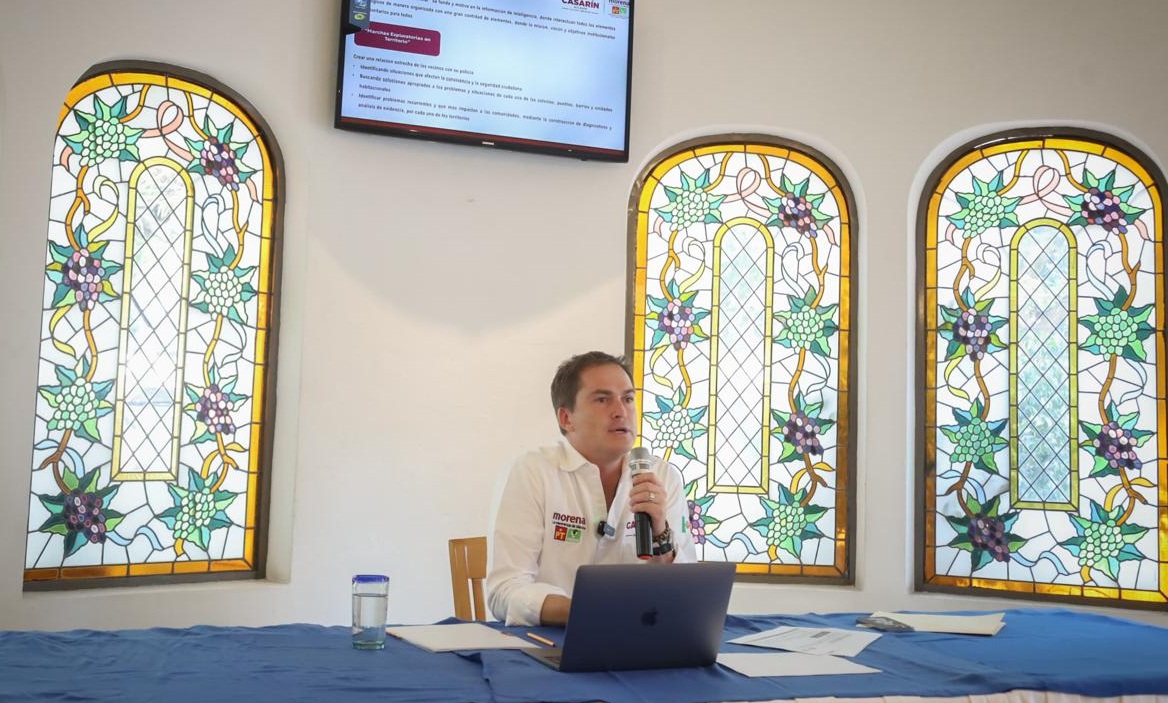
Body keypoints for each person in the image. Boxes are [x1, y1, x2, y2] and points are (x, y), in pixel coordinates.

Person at [486, 351, 697, 626]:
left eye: (628, 399)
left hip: (641, 639)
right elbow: (505, 591)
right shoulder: (534, 472)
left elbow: (688, 595)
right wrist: (584, 613)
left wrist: (660, 534)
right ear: (566, 418)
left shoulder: (662, 477)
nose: (621, 411)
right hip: (551, 641)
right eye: (602, 399)